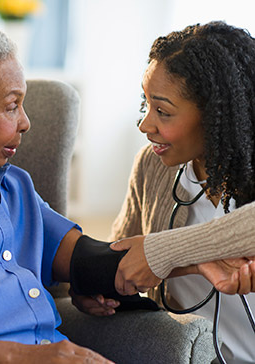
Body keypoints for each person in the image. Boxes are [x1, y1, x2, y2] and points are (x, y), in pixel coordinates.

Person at [0, 22, 250, 364]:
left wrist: (197, 261)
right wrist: (31, 358)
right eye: (12, 105)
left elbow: (92, 260)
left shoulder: (14, 187)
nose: (26, 122)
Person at [106, 21, 255, 363]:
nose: (145, 125)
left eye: (163, 111)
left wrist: (165, 252)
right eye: (146, 105)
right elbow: (123, 256)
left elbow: (153, 253)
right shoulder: (152, 167)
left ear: (218, 114)